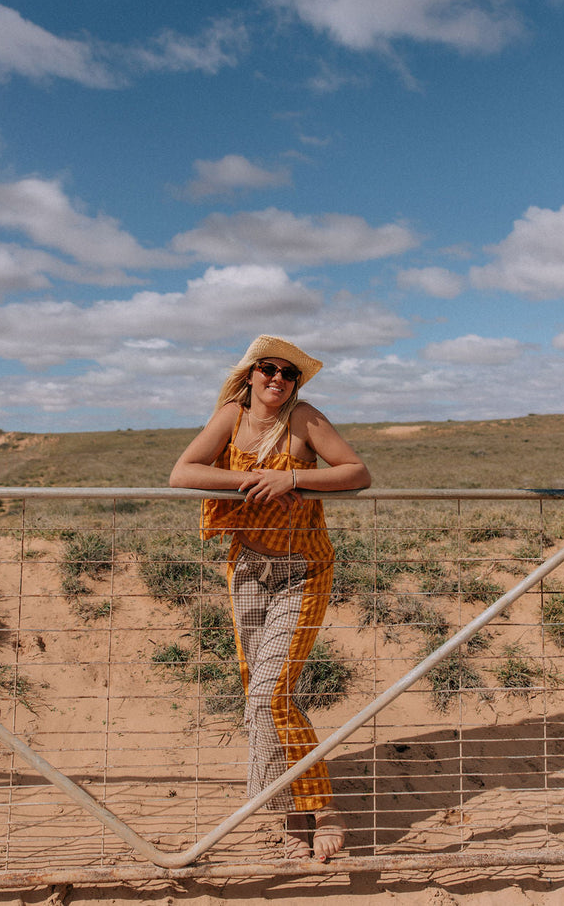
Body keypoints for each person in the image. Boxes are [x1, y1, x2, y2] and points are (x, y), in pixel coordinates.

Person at [170, 335, 371, 861]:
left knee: (270, 695)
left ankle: (321, 806)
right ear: (251, 374)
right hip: (248, 567)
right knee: (260, 690)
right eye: (268, 369)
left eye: (288, 372)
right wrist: (253, 479)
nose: (278, 378)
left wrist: (293, 478)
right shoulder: (230, 418)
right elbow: (182, 472)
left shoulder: (304, 419)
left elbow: (357, 472)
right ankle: (288, 806)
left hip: (302, 567)